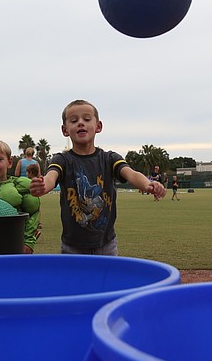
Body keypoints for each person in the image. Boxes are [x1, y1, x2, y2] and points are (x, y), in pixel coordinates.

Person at [29, 99, 165, 255]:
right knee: (76, 280)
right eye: (74, 120)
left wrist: (148, 184)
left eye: (87, 119)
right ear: (65, 130)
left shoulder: (110, 159)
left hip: (106, 244)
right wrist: (43, 186)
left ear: (98, 126)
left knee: (107, 280)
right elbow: (51, 177)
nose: (81, 123)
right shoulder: (62, 160)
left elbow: (131, 173)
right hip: (73, 246)